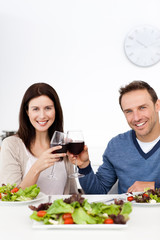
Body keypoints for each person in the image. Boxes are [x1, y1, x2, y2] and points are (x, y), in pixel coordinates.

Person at [67, 80, 160, 194]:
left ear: (157, 105)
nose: (136, 118)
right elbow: (97, 192)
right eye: (129, 111)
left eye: (142, 108)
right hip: (129, 211)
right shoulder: (117, 145)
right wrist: (84, 166)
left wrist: (155, 186)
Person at [0, 83, 78, 195]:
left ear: (55, 110)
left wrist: (83, 164)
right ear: (27, 111)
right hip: (25, 213)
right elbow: (10, 196)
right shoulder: (11, 145)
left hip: (59, 212)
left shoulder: (64, 144)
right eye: (35, 109)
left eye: (48, 108)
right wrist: (37, 168)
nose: (42, 116)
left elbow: (72, 193)